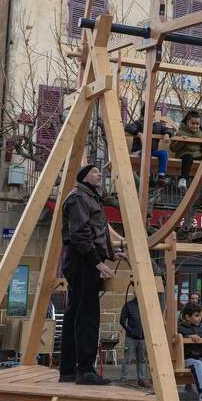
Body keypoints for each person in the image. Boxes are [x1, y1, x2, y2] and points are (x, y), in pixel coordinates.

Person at [60, 164, 123, 386]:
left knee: (75, 314)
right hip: (83, 263)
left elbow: (94, 233)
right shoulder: (79, 198)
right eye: (96, 172)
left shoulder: (88, 197)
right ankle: (85, 370)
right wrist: (97, 262)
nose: (100, 174)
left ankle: (68, 370)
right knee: (87, 316)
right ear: (85, 176)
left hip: (82, 261)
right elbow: (80, 234)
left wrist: (110, 254)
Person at [125, 103, 173, 187]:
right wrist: (138, 133)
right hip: (140, 150)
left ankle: (161, 175)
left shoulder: (157, 125)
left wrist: (167, 134)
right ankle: (149, 175)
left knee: (164, 153)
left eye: (152, 112)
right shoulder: (139, 123)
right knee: (146, 153)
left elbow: (168, 130)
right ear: (144, 114)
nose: (152, 114)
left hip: (152, 151)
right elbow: (128, 127)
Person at [119, 295, 149, 387]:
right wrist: (130, 331)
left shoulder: (146, 305)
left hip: (142, 337)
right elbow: (122, 321)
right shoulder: (128, 305)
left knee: (142, 359)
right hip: (131, 338)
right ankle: (124, 379)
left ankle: (141, 379)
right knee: (127, 359)